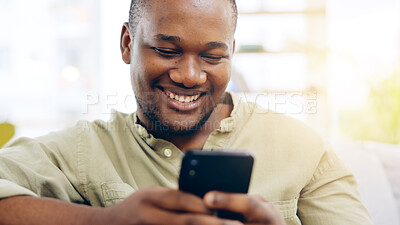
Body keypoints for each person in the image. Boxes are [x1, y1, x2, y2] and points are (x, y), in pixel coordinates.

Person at [0, 0, 373, 224]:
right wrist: (105, 221)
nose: (190, 76)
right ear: (128, 44)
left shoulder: (306, 152)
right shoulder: (80, 151)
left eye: (213, 56)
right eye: (167, 51)